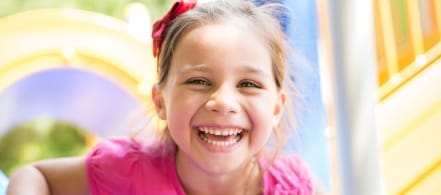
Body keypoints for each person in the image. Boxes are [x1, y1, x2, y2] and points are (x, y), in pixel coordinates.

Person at [7, 0, 314, 194]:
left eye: (248, 84)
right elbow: (34, 175)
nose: (223, 101)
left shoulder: (295, 187)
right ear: (161, 101)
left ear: (276, 106)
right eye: (198, 81)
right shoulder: (126, 171)